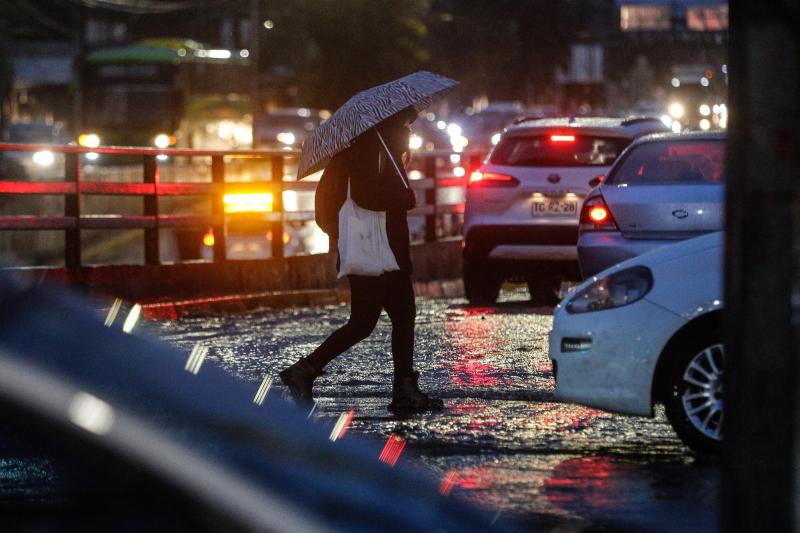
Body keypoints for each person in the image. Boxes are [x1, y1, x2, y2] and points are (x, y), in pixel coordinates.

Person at [279, 107, 443, 413]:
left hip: (382, 251)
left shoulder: (382, 150)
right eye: (406, 126)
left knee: (395, 317)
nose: (410, 132)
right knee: (370, 321)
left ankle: (403, 388)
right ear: (390, 126)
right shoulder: (371, 151)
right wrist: (405, 198)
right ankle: (306, 370)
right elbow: (367, 196)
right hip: (376, 252)